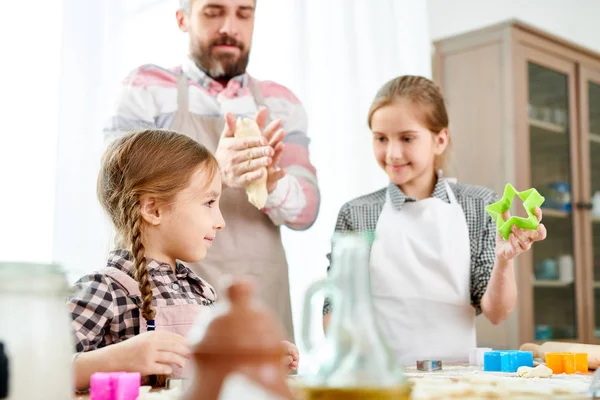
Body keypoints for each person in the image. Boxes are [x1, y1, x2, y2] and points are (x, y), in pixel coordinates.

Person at [103, 0, 320, 342]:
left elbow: (307, 211)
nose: (229, 27)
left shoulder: (282, 103)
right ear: (182, 19)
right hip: (165, 294)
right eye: (214, 11)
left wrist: (269, 182)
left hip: (261, 293)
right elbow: (119, 190)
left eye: (243, 13)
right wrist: (215, 171)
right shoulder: (145, 88)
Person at [322, 76, 547, 365]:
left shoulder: (479, 205)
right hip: (382, 380)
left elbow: (496, 312)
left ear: (440, 140)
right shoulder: (357, 213)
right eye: (381, 138)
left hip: (460, 381)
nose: (392, 153)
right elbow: (336, 308)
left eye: (407, 138)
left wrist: (504, 260)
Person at [68, 130, 299, 391]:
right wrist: (116, 359)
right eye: (209, 202)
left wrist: (251, 358)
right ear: (153, 210)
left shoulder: (199, 290)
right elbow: (37, 371)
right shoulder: (104, 289)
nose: (220, 222)